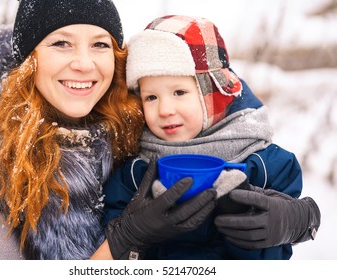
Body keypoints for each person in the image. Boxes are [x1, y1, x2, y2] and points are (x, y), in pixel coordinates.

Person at [0, 2, 217, 260]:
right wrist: (124, 239)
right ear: (29, 58)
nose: (85, 64)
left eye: (99, 44)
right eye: (62, 43)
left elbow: (226, 99)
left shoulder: (138, 116)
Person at [102, 15, 321, 259]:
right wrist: (132, 234)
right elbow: (109, 254)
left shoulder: (263, 163)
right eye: (151, 97)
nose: (164, 110)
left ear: (213, 95)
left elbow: (276, 256)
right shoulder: (135, 170)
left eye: (179, 92)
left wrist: (296, 221)